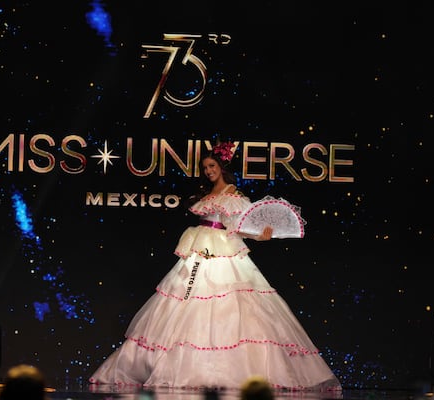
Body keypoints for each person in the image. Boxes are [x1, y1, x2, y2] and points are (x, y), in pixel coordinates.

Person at [89, 141, 341, 391]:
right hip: (199, 252)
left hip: (221, 250)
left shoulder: (233, 195)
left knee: (226, 305)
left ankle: (226, 369)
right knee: (185, 301)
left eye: (212, 166)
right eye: (205, 168)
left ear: (221, 166)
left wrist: (260, 236)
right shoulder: (208, 195)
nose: (208, 171)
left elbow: (240, 228)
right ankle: (171, 365)